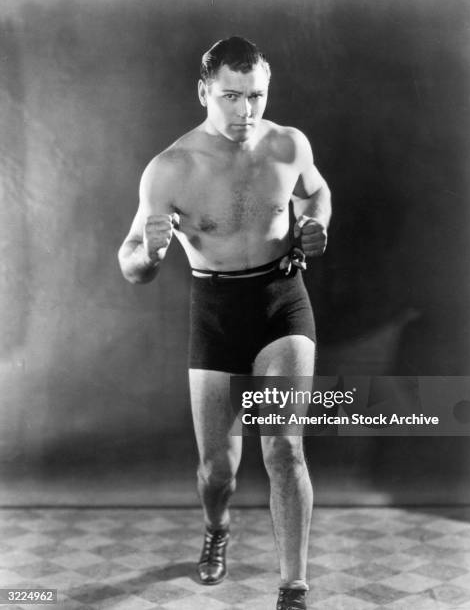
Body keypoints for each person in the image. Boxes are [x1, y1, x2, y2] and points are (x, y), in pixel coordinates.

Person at [118, 36, 331, 610]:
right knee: (219, 471)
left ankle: (293, 588)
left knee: (285, 448)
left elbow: (317, 193)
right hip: (215, 314)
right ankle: (216, 527)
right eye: (231, 96)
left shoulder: (289, 144)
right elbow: (132, 262)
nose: (246, 110)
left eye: (256, 95)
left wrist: (315, 225)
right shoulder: (171, 167)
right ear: (204, 92)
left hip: (281, 300)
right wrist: (152, 255)